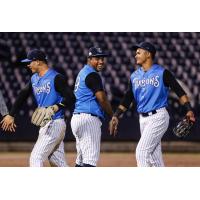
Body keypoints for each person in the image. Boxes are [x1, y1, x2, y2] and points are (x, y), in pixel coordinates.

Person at [109, 42, 195, 167]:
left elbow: (180, 92)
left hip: (158, 116)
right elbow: (128, 98)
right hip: (142, 119)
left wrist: (189, 109)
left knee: (141, 153)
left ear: (148, 54)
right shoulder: (134, 76)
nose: (135, 55)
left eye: (138, 52)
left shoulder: (162, 73)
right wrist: (116, 115)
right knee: (155, 159)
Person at [0, 49, 75, 167]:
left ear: (38, 62)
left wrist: (56, 107)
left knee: (35, 158)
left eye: (30, 62)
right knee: (58, 163)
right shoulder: (34, 78)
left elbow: (71, 98)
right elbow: (22, 95)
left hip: (54, 122)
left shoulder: (56, 77)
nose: (28, 65)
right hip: (46, 124)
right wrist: (11, 114)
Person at [71, 47, 113, 167]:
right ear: (89, 59)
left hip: (78, 118)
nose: (101, 61)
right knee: (90, 161)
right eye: (97, 58)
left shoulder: (82, 72)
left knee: (81, 160)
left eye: (102, 58)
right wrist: (112, 116)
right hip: (88, 119)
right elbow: (102, 99)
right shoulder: (92, 74)